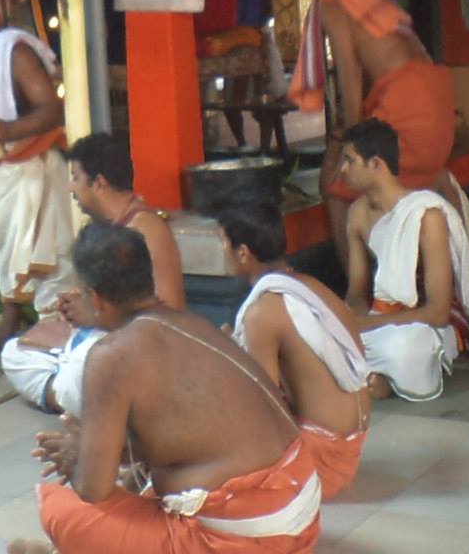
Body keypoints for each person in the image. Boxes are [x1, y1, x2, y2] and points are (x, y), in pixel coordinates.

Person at [19, 224, 322, 554]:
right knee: (139, 487)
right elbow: (179, 437)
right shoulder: (195, 323)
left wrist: (79, 459)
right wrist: (100, 449)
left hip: (246, 538)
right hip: (301, 513)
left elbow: (93, 489)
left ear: (93, 297)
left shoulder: (111, 355)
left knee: (61, 510)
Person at [2, 132, 185, 414]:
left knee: (76, 364)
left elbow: (169, 315)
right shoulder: (113, 226)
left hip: (142, 352)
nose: (70, 188)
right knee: (15, 351)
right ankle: (72, 390)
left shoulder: (145, 229)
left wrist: (95, 315)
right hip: (110, 337)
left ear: (99, 183)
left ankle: (75, 396)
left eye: (75, 177)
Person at [296, 0, 458, 255]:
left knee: (335, 190)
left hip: (405, 101)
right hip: (434, 95)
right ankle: (458, 273)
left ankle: (357, 290)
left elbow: (349, 73)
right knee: (427, 173)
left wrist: (348, 136)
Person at [220, 200, 370, 499]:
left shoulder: (262, 313)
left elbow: (262, 412)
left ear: (243, 253)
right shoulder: (311, 286)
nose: (221, 251)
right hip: (349, 452)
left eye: (223, 242)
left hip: (318, 465)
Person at [340, 119, 469, 402]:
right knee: (323, 338)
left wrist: (369, 325)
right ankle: (376, 379)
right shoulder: (357, 213)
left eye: (349, 160)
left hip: (427, 324)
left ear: (376, 164)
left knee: (403, 347)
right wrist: (353, 319)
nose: (342, 170)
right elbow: (356, 289)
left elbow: (437, 311)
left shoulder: (426, 214)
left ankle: (380, 381)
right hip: (378, 318)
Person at [0, 24, 75, 360]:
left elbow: (52, 110)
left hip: (40, 164)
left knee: (53, 250)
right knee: (8, 244)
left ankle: (60, 329)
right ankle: (13, 324)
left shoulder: (15, 55)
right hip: (10, 170)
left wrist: (7, 130)